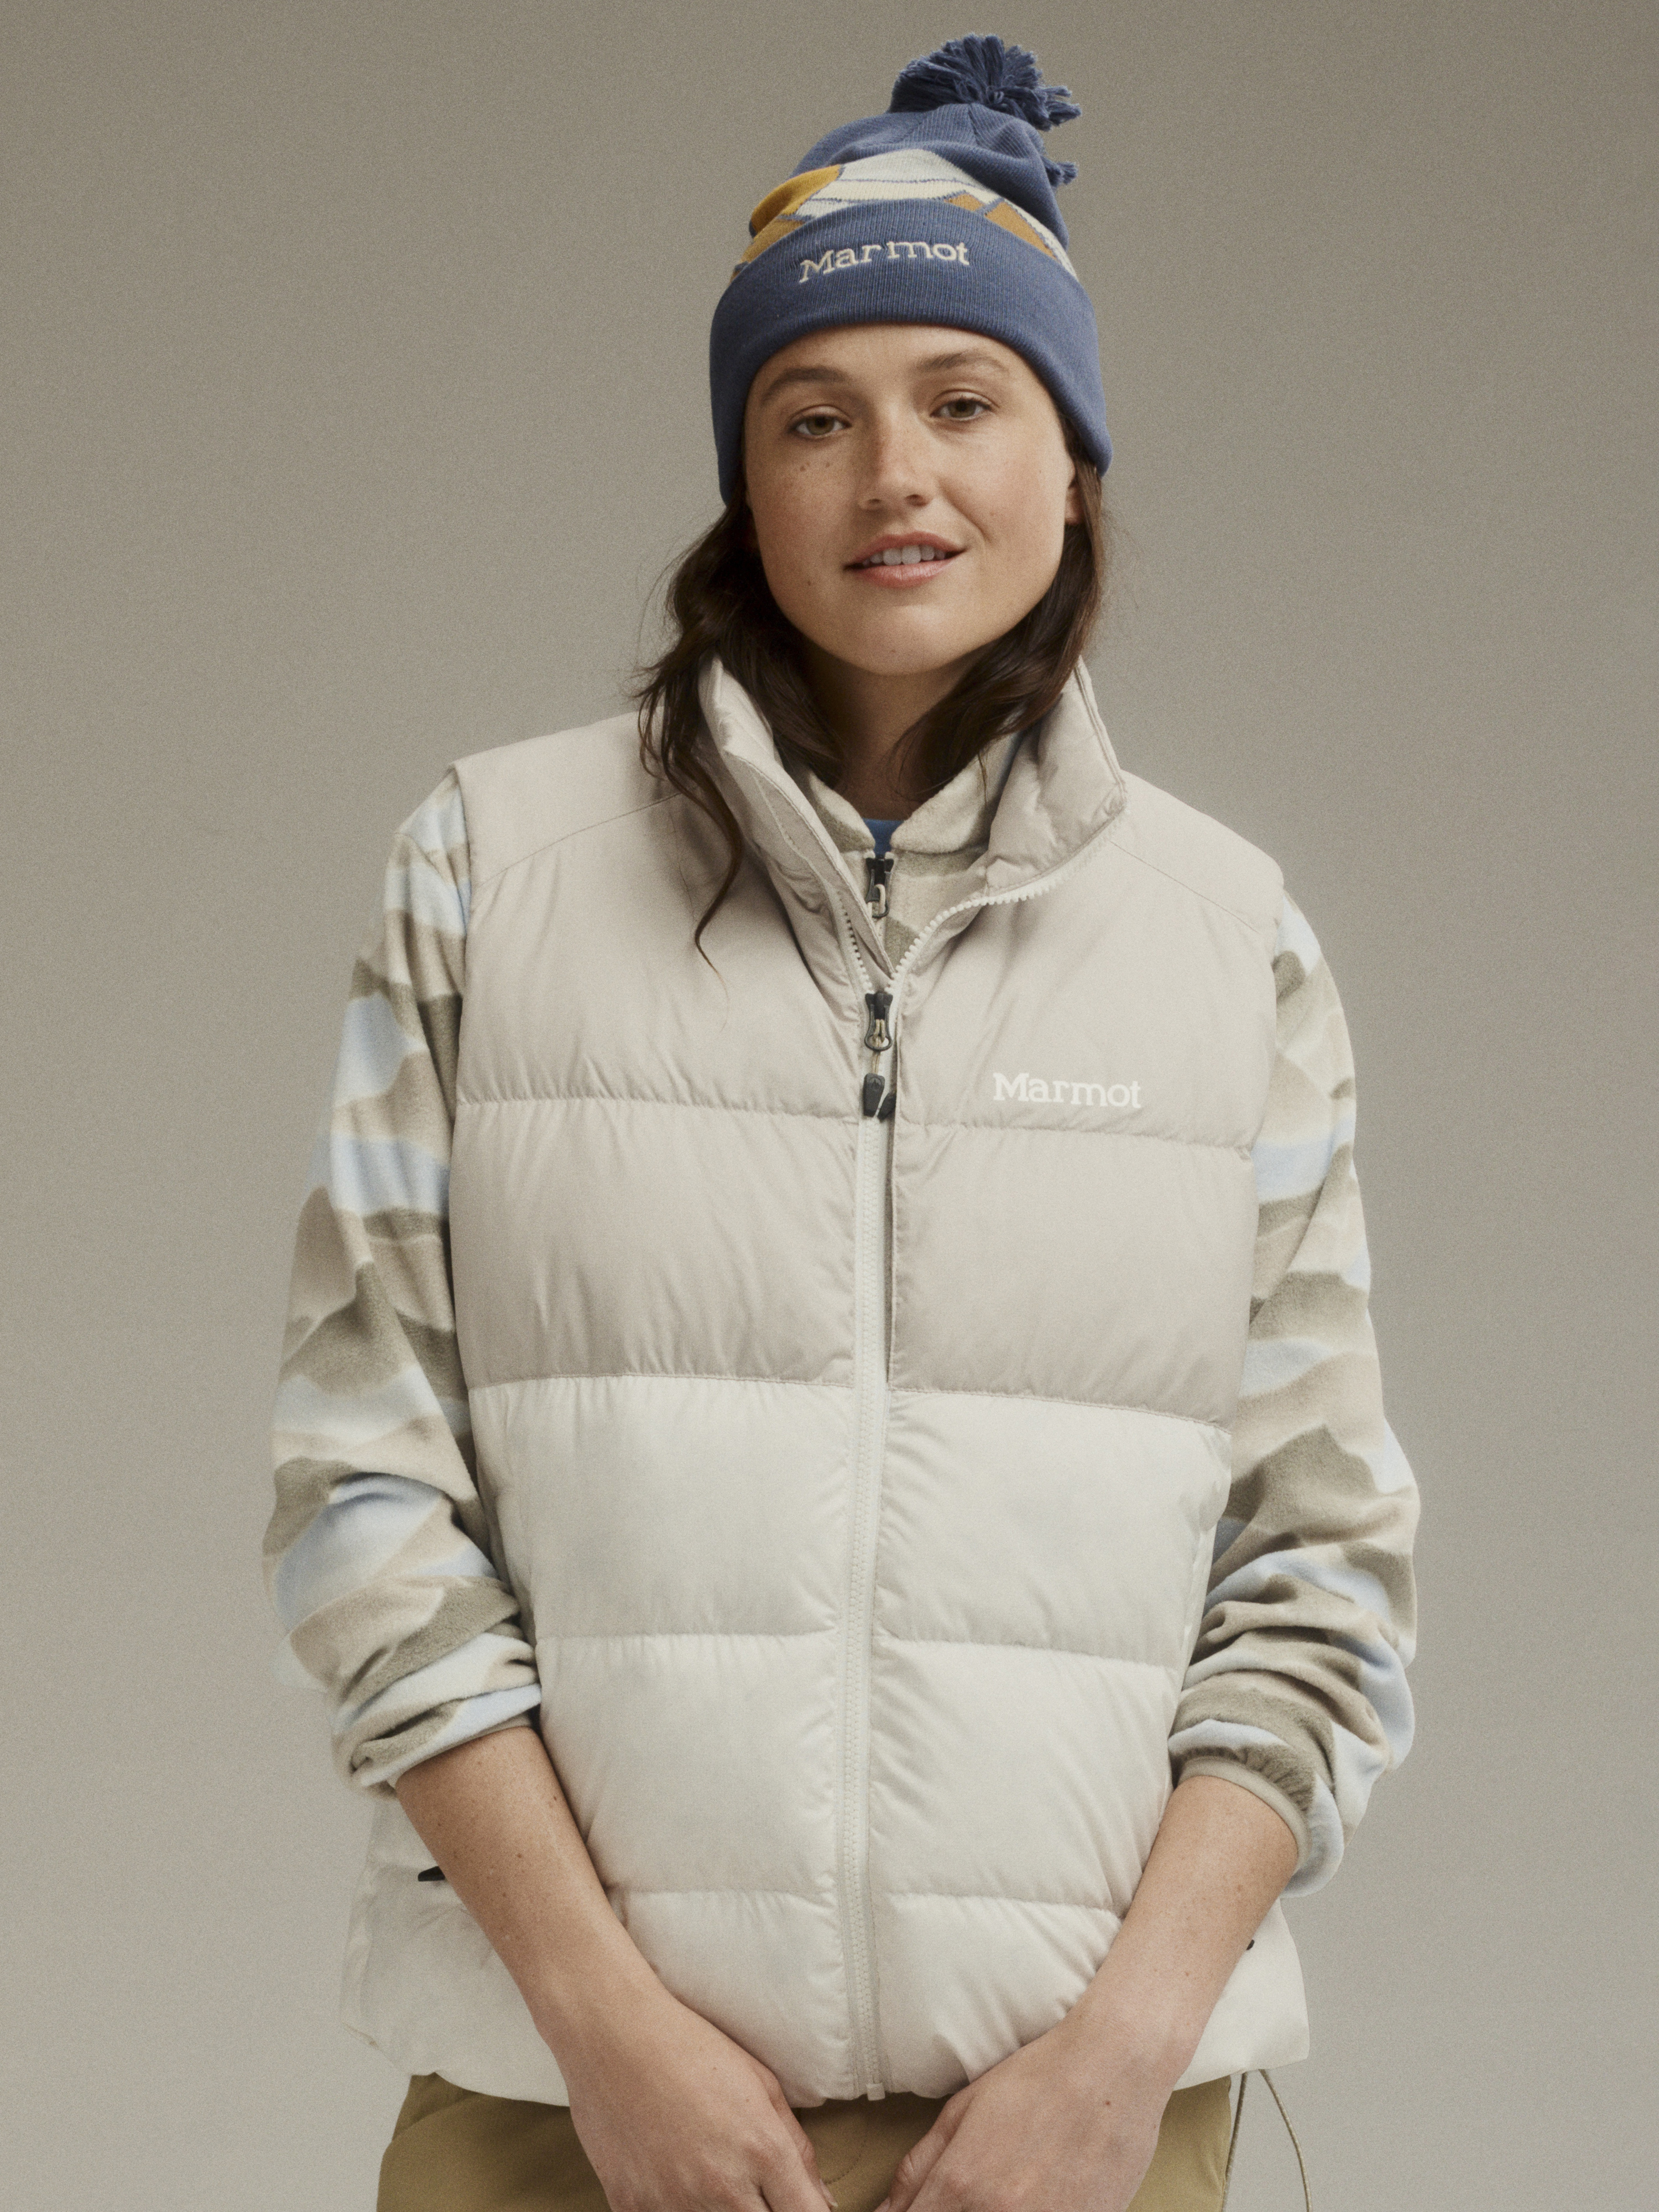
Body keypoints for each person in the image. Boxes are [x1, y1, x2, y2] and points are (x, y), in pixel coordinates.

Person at [265, 36, 1418, 2212]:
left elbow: (1322, 1576)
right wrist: (605, 2035)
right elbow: (362, 1497)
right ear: (744, 481)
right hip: (568, 2110)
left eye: (965, 401)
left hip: (1076, 2131)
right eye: (815, 415)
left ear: (1072, 464)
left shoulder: (1230, 944)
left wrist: (1122, 2060)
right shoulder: (489, 878)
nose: (897, 472)